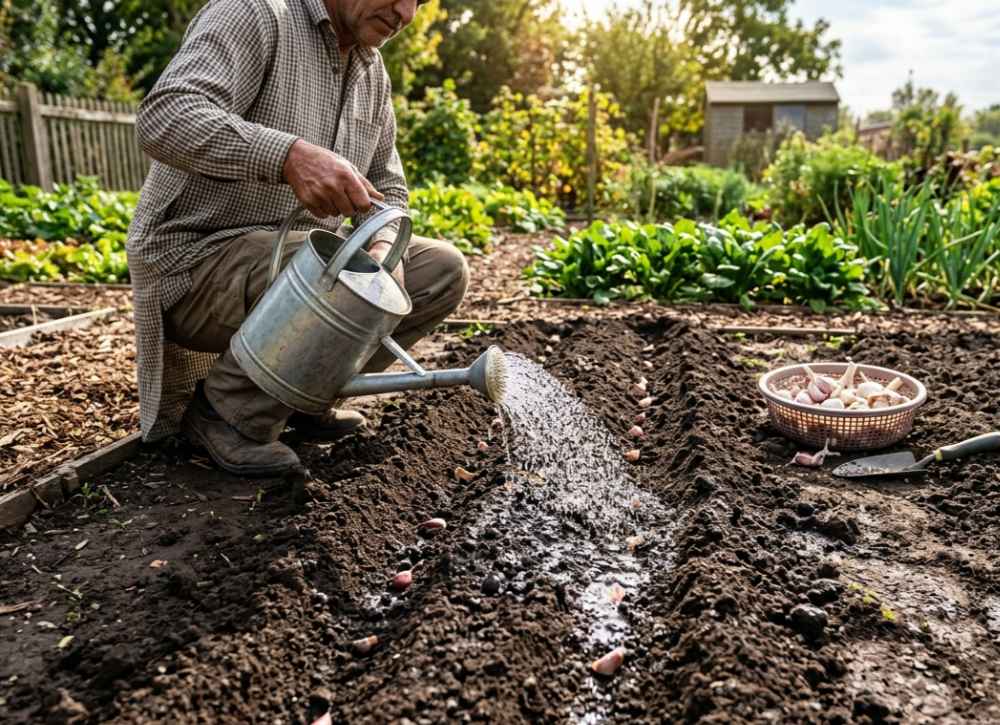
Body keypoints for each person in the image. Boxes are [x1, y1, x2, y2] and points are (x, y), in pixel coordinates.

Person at [126, 0, 468, 477]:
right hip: (196, 261)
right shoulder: (256, 14)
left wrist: (384, 241)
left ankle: (306, 396)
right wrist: (287, 156)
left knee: (442, 270)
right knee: (322, 272)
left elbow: (389, 189)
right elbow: (166, 116)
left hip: (299, 263)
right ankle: (227, 412)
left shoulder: (372, 72)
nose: (406, 13)